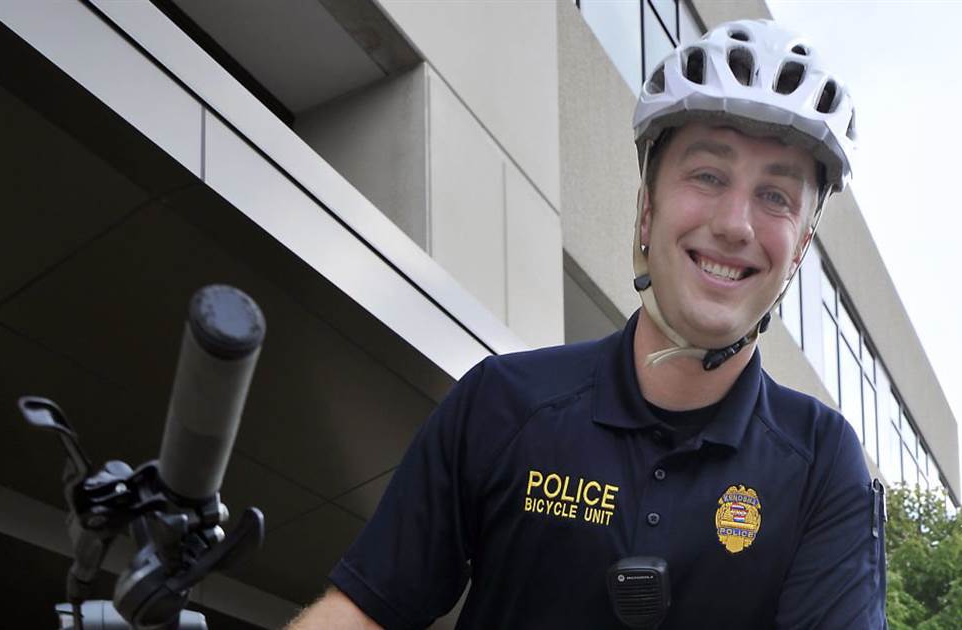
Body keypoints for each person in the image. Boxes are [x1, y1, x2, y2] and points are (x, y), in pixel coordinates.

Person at [286, 18, 885, 630]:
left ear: (800, 246)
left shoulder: (822, 463)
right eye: (708, 175)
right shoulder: (503, 402)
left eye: (776, 196)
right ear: (646, 210)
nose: (736, 224)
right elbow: (362, 612)